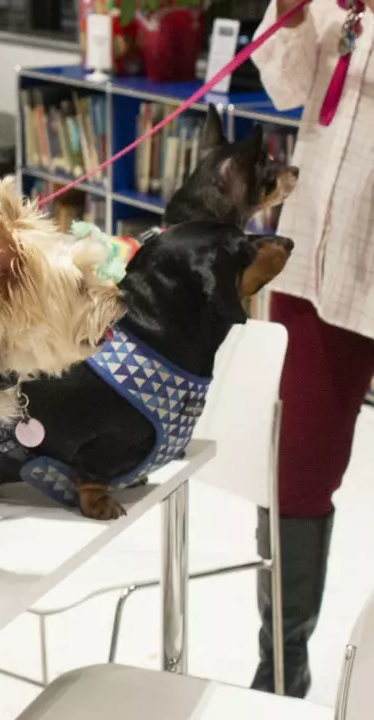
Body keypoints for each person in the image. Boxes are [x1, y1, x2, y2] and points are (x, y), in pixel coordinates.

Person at [250, 0, 373, 698]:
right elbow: (287, 89)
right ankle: (281, 666)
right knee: (292, 470)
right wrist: (296, 15)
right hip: (313, 266)